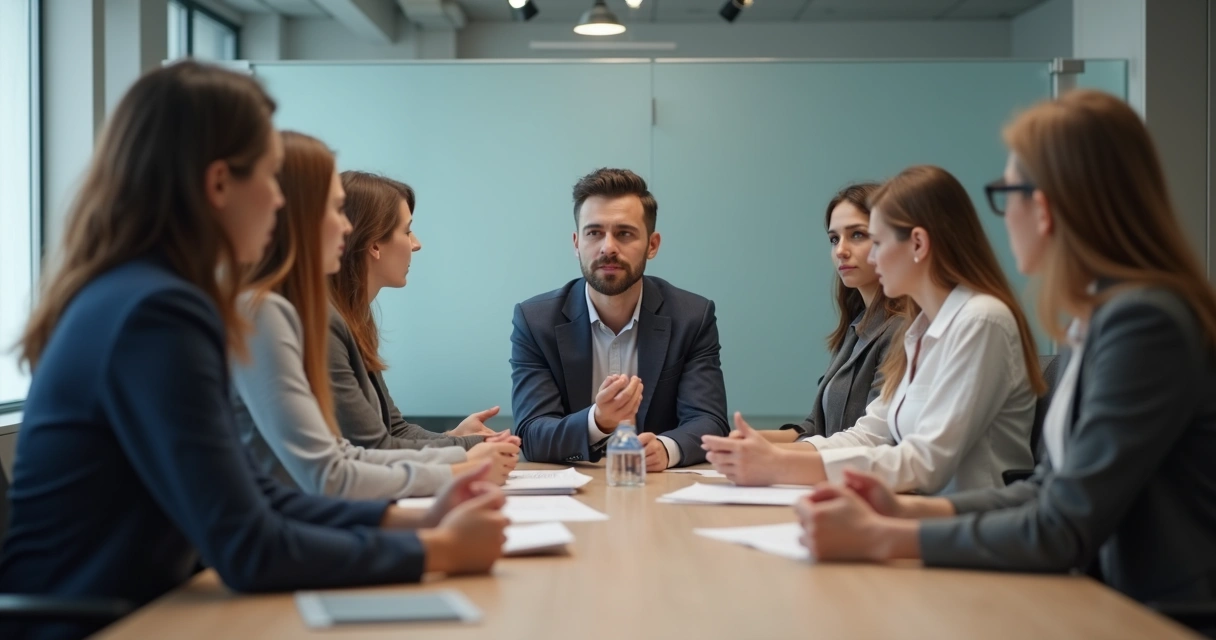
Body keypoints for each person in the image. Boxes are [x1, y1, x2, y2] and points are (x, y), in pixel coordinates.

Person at [0, 62, 506, 640]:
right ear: (218, 185)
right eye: (270, 176)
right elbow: (247, 544)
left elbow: (251, 492)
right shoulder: (156, 312)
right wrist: (433, 549)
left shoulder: (139, 293)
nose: (279, 199)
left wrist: (399, 521)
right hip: (108, 623)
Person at [795, 90, 1216, 606]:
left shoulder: (1144, 322)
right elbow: (1049, 489)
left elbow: (1064, 525)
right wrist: (907, 512)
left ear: (1041, 207)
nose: (1004, 213)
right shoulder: (1101, 318)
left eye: (1006, 191)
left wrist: (888, 536)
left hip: (1153, 616)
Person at [704, 165, 1041, 495]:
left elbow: (926, 463)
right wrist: (773, 456)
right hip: (920, 519)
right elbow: (868, 435)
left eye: (874, 241)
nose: (871, 259)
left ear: (919, 245)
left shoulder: (980, 320)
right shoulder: (921, 329)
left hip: (965, 535)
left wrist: (779, 464)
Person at [232, 132, 518, 500]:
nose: (346, 227)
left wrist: (459, 446)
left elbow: (362, 445)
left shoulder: (333, 317)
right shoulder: (283, 316)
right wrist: (463, 460)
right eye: (334, 210)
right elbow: (342, 466)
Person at [511, 168, 729, 470]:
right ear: (576, 243)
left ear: (652, 245)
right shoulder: (535, 322)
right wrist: (598, 420)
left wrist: (666, 450)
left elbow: (709, 421)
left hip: (659, 490)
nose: (608, 247)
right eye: (594, 232)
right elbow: (532, 434)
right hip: (575, 493)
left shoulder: (692, 317)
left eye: (624, 233)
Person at [327, 171, 521, 452]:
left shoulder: (356, 319)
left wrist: (456, 439)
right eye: (406, 231)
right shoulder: (328, 325)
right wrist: (471, 446)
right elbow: (377, 446)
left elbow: (395, 429)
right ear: (374, 244)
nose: (416, 244)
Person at [761, 182, 904, 444]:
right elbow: (818, 425)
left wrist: (773, 457)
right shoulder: (858, 325)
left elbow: (873, 438)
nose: (841, 250)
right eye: (834, 239)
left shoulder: (902, 328)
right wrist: (751, 439)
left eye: (857, 235)